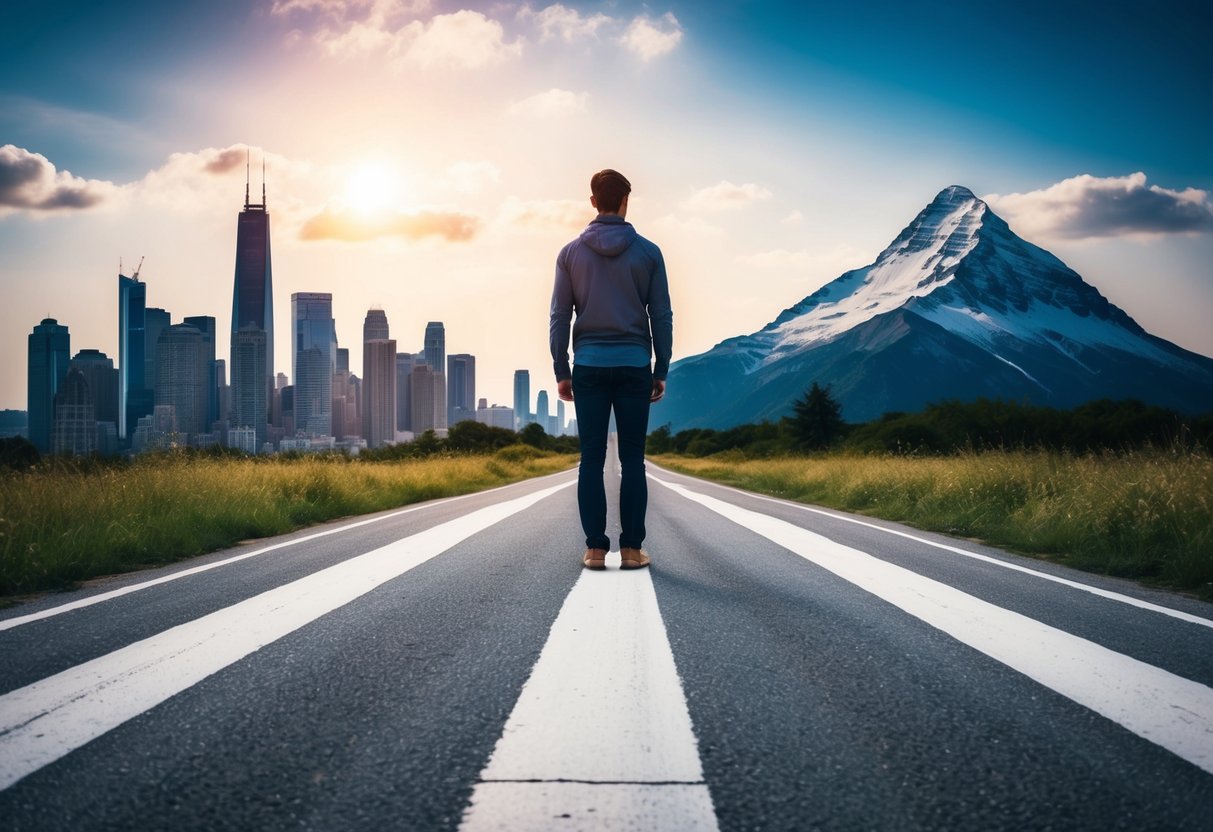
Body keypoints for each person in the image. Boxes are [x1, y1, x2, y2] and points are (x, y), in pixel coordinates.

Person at [550, 169, 673, 571]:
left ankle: (596, 550)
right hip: (635, 364)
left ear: (592, 202)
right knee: (633, 460)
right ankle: (633, 550)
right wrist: (661, 367)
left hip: (587, 365)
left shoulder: (569, 253)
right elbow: (662, 314)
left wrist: (561, 368)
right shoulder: (649, 252)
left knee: (592, 459)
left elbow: (559, 316)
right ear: (625, 201)